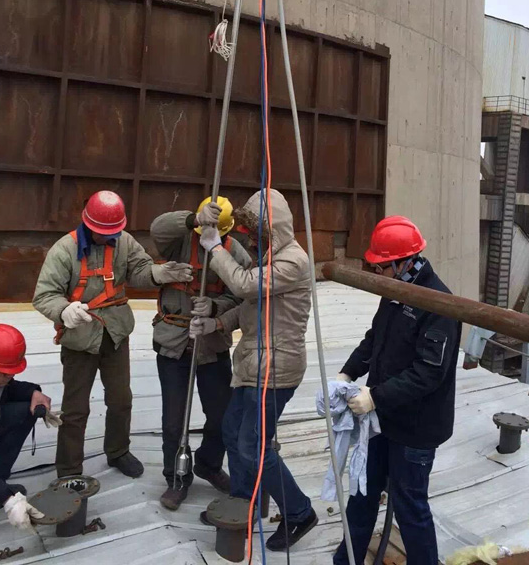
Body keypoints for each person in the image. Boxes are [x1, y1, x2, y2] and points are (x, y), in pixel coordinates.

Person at [33, 190, 193, 479]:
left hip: (115, 335)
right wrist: (64, 310)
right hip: (80, 339)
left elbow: (139, 270)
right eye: (104, 233)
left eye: (114, 232)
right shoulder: (64, 250)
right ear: (89, 225)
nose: (110, 237)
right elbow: (44, 295)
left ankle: (118, 451)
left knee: (121, 400)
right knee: (75, 409)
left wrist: (158, 274)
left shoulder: (124, 241)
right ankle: (69, 469)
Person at [191, 189, 318, 552]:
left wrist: (215, 248)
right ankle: (245, 502)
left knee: (254, 446)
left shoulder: (293, 261)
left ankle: (299, 512)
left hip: (276, 368)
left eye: (256, 232)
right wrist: (216, 322)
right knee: (233, 432)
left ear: (272, 229)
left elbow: (245, 285)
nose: (250, 238)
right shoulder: (269, 257)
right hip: (254, 363)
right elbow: (251, 304)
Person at [332, 216, 462, 565]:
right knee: (362, 495)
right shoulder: (395, 291)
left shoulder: (440, 305)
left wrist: (374, 396)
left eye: (381, 267)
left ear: (405, 262)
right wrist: (348, 372)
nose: (377, 274)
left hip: (416, 429)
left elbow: (429, 373)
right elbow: (375, 338)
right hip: (382, 419)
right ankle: (346, 561)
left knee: (410, 508)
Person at [150, 196, 250, 510]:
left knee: (222, 416)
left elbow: (243, 296)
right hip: (173, 344)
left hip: (211, 346)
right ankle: (176, 477)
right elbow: (157, 228)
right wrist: (193, 219)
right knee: (173, 421)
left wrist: (215, 307)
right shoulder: (179, 240)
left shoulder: (235, 253)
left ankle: (209, 463)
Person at [0, 324, 59, 531]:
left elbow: (11, 388)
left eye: (12, 372)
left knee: (25, 411)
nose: (10, 378)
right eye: (5, 373)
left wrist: (34, 393)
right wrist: (7, 500)